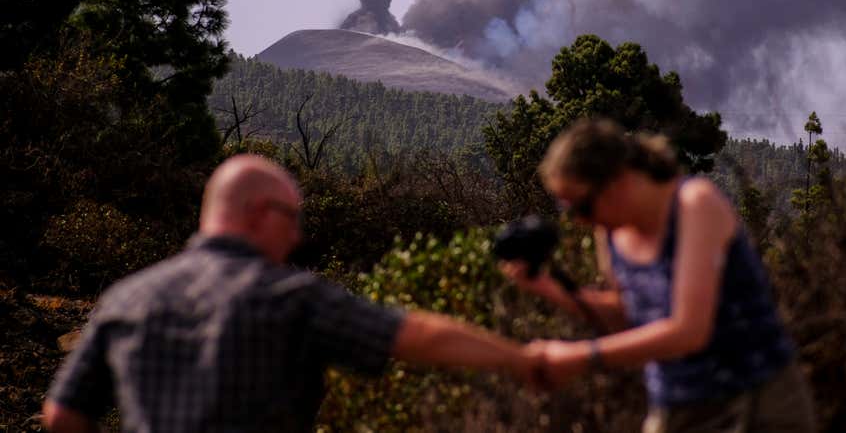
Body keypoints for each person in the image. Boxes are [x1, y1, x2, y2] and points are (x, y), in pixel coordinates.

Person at [44, 154, 540, 433]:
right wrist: (522, 360)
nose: (298, 236)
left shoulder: (127, 298)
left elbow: (62, 413)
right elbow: (417, 337)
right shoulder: (288, 297)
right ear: (259, 213)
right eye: (293, 218)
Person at [501, 119, 816, 433]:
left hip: (756, 403)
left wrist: (582, 356)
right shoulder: (611, 234)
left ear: (618, 180)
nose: (579, 221)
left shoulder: (694, 204)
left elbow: (689, 331)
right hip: (677, 404)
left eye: (581, 207)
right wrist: (551, 289)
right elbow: (631, 318)